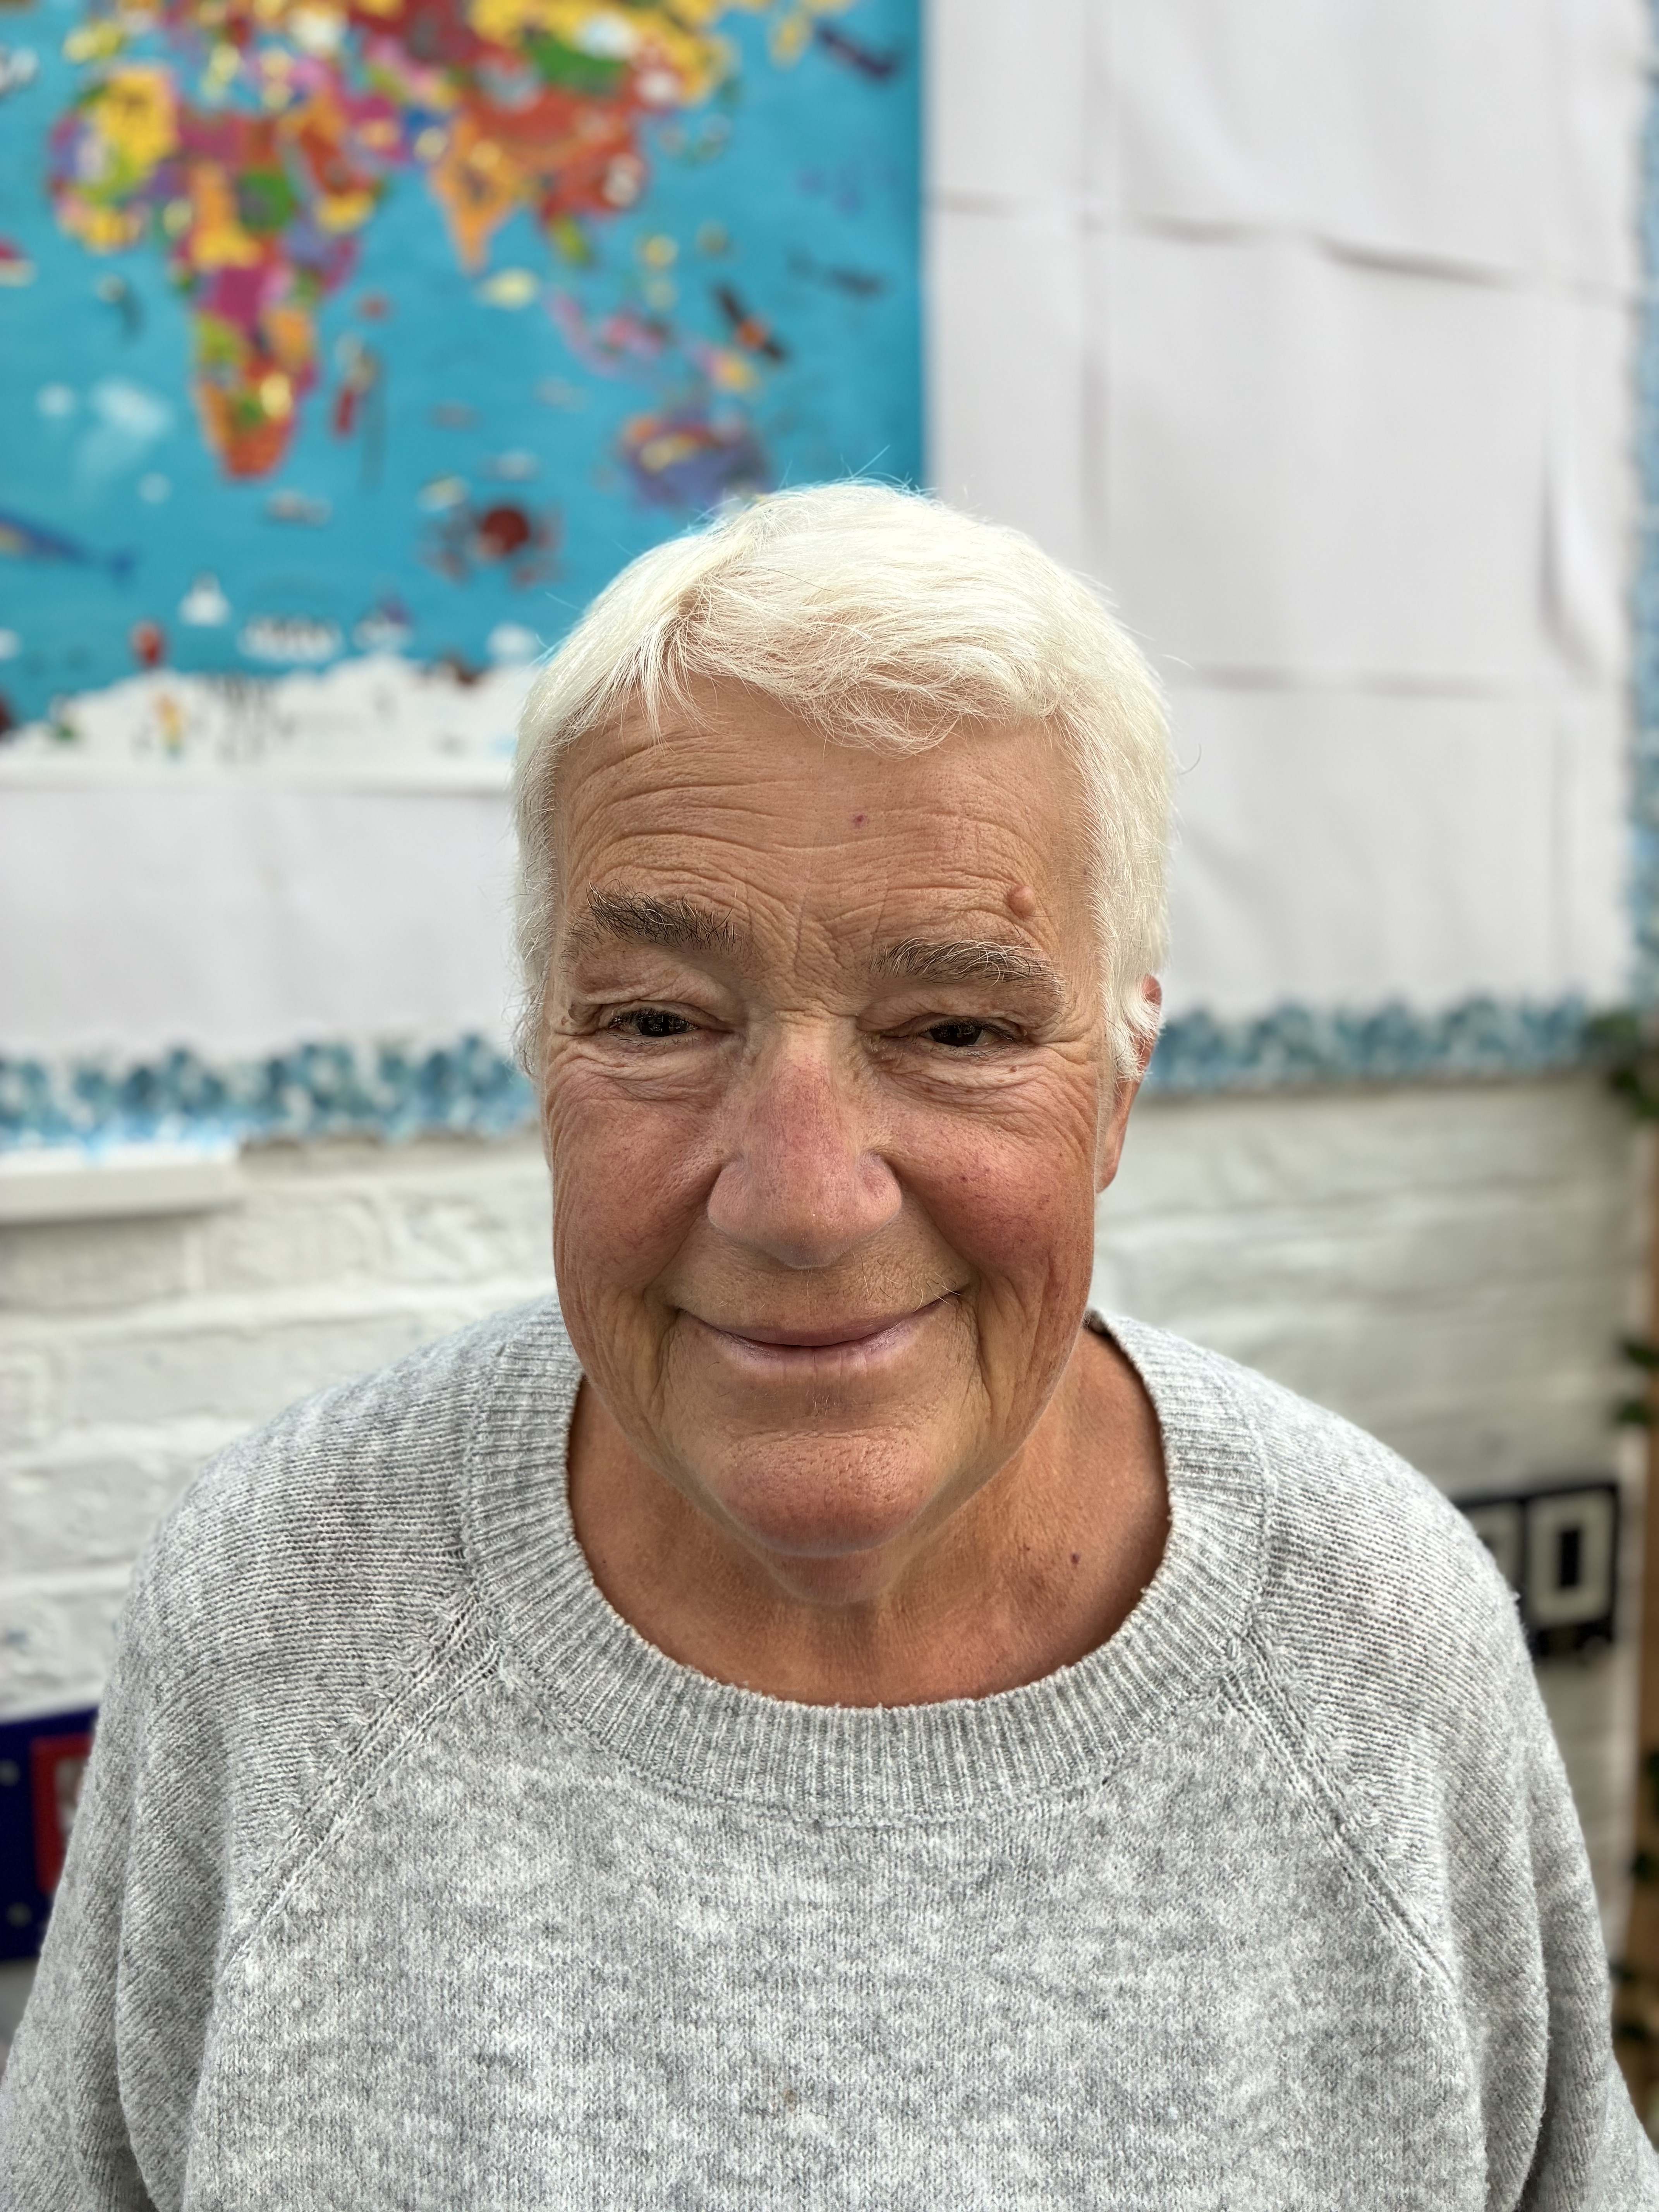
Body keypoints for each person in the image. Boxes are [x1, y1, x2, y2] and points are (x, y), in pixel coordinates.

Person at [0, 483, 1651, 2208]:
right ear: (539, 1058)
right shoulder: (283, 1608)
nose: (803, 1200)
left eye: (954, 1026)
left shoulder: (1376, 1642)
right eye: (656, 1020)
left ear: (1118, 1086)